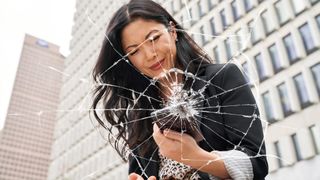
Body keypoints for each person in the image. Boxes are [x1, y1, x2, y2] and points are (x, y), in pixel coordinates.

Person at [91, 0, 268, 179]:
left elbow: (256, 163)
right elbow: (140, 174)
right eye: (134, 51)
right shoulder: (138, 114)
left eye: (154, 38)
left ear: (172, 31)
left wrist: (194, 156)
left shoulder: (222, 78)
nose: (149, 54)